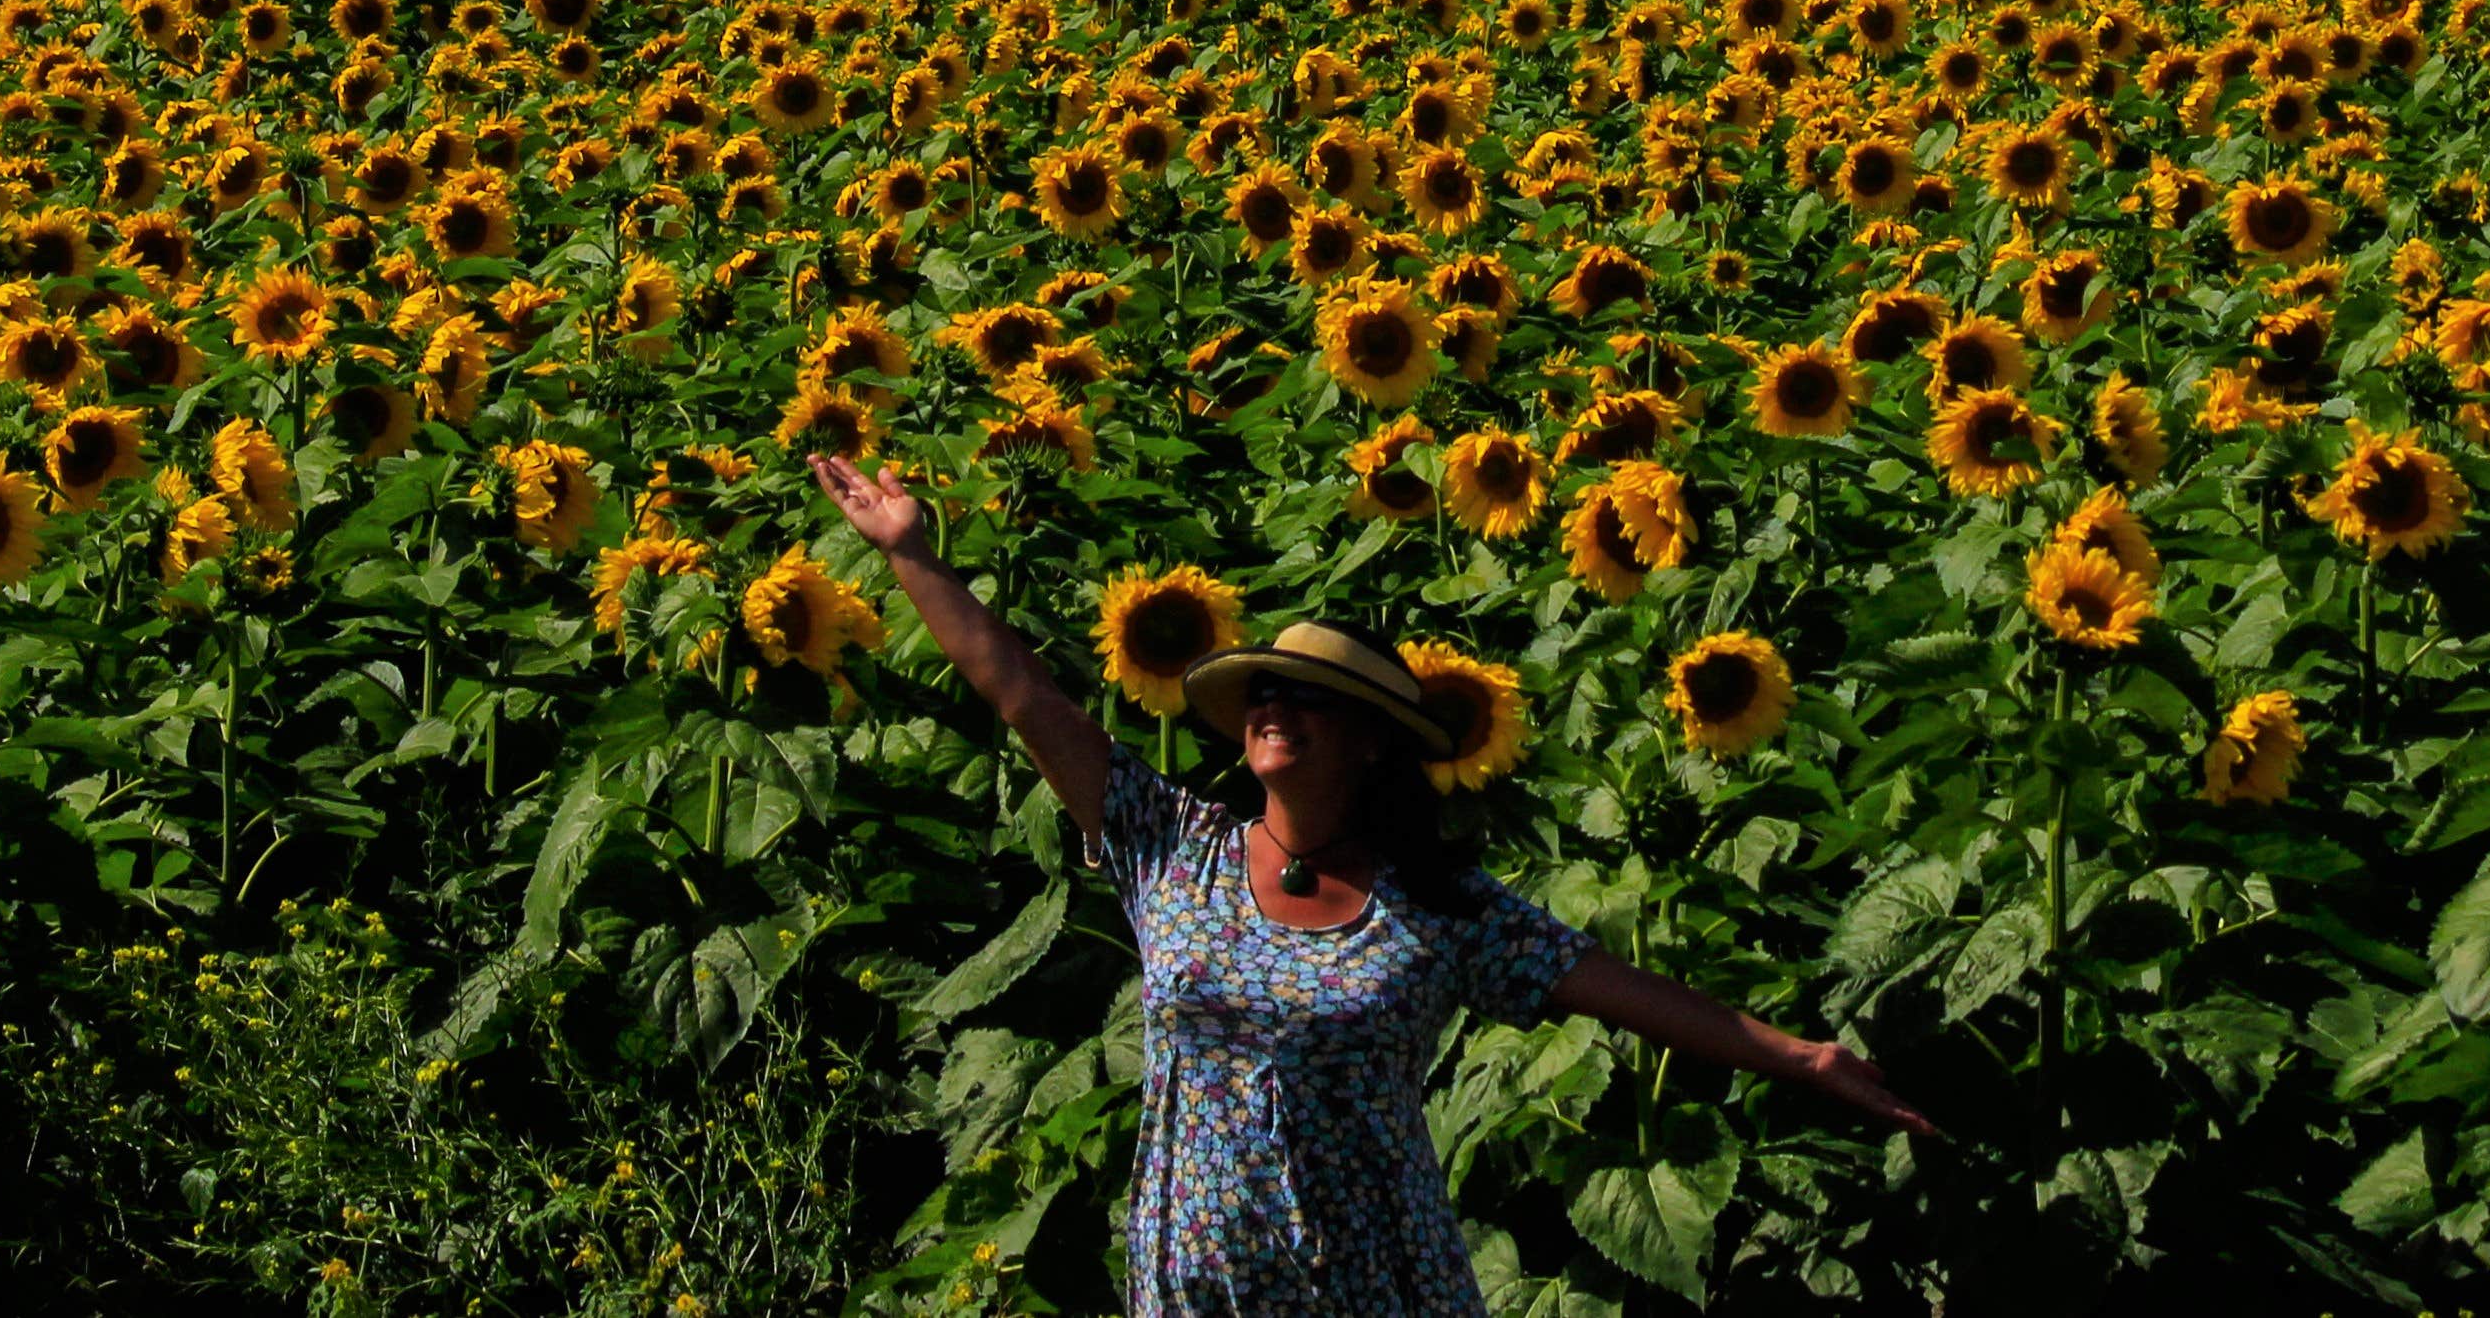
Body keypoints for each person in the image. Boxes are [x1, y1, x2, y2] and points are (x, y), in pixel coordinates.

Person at [809, 453, 1933, 1317]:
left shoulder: (1436, 902)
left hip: (1378, 1282)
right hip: (1199, 1283)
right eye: (1260, 692)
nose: (1271, 708)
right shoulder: (1174, 844)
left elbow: (1617, 987)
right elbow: (1024, 697)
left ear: (1372, 742)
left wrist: (1803, 1055)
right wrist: (913, 551)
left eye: (1306, 698)